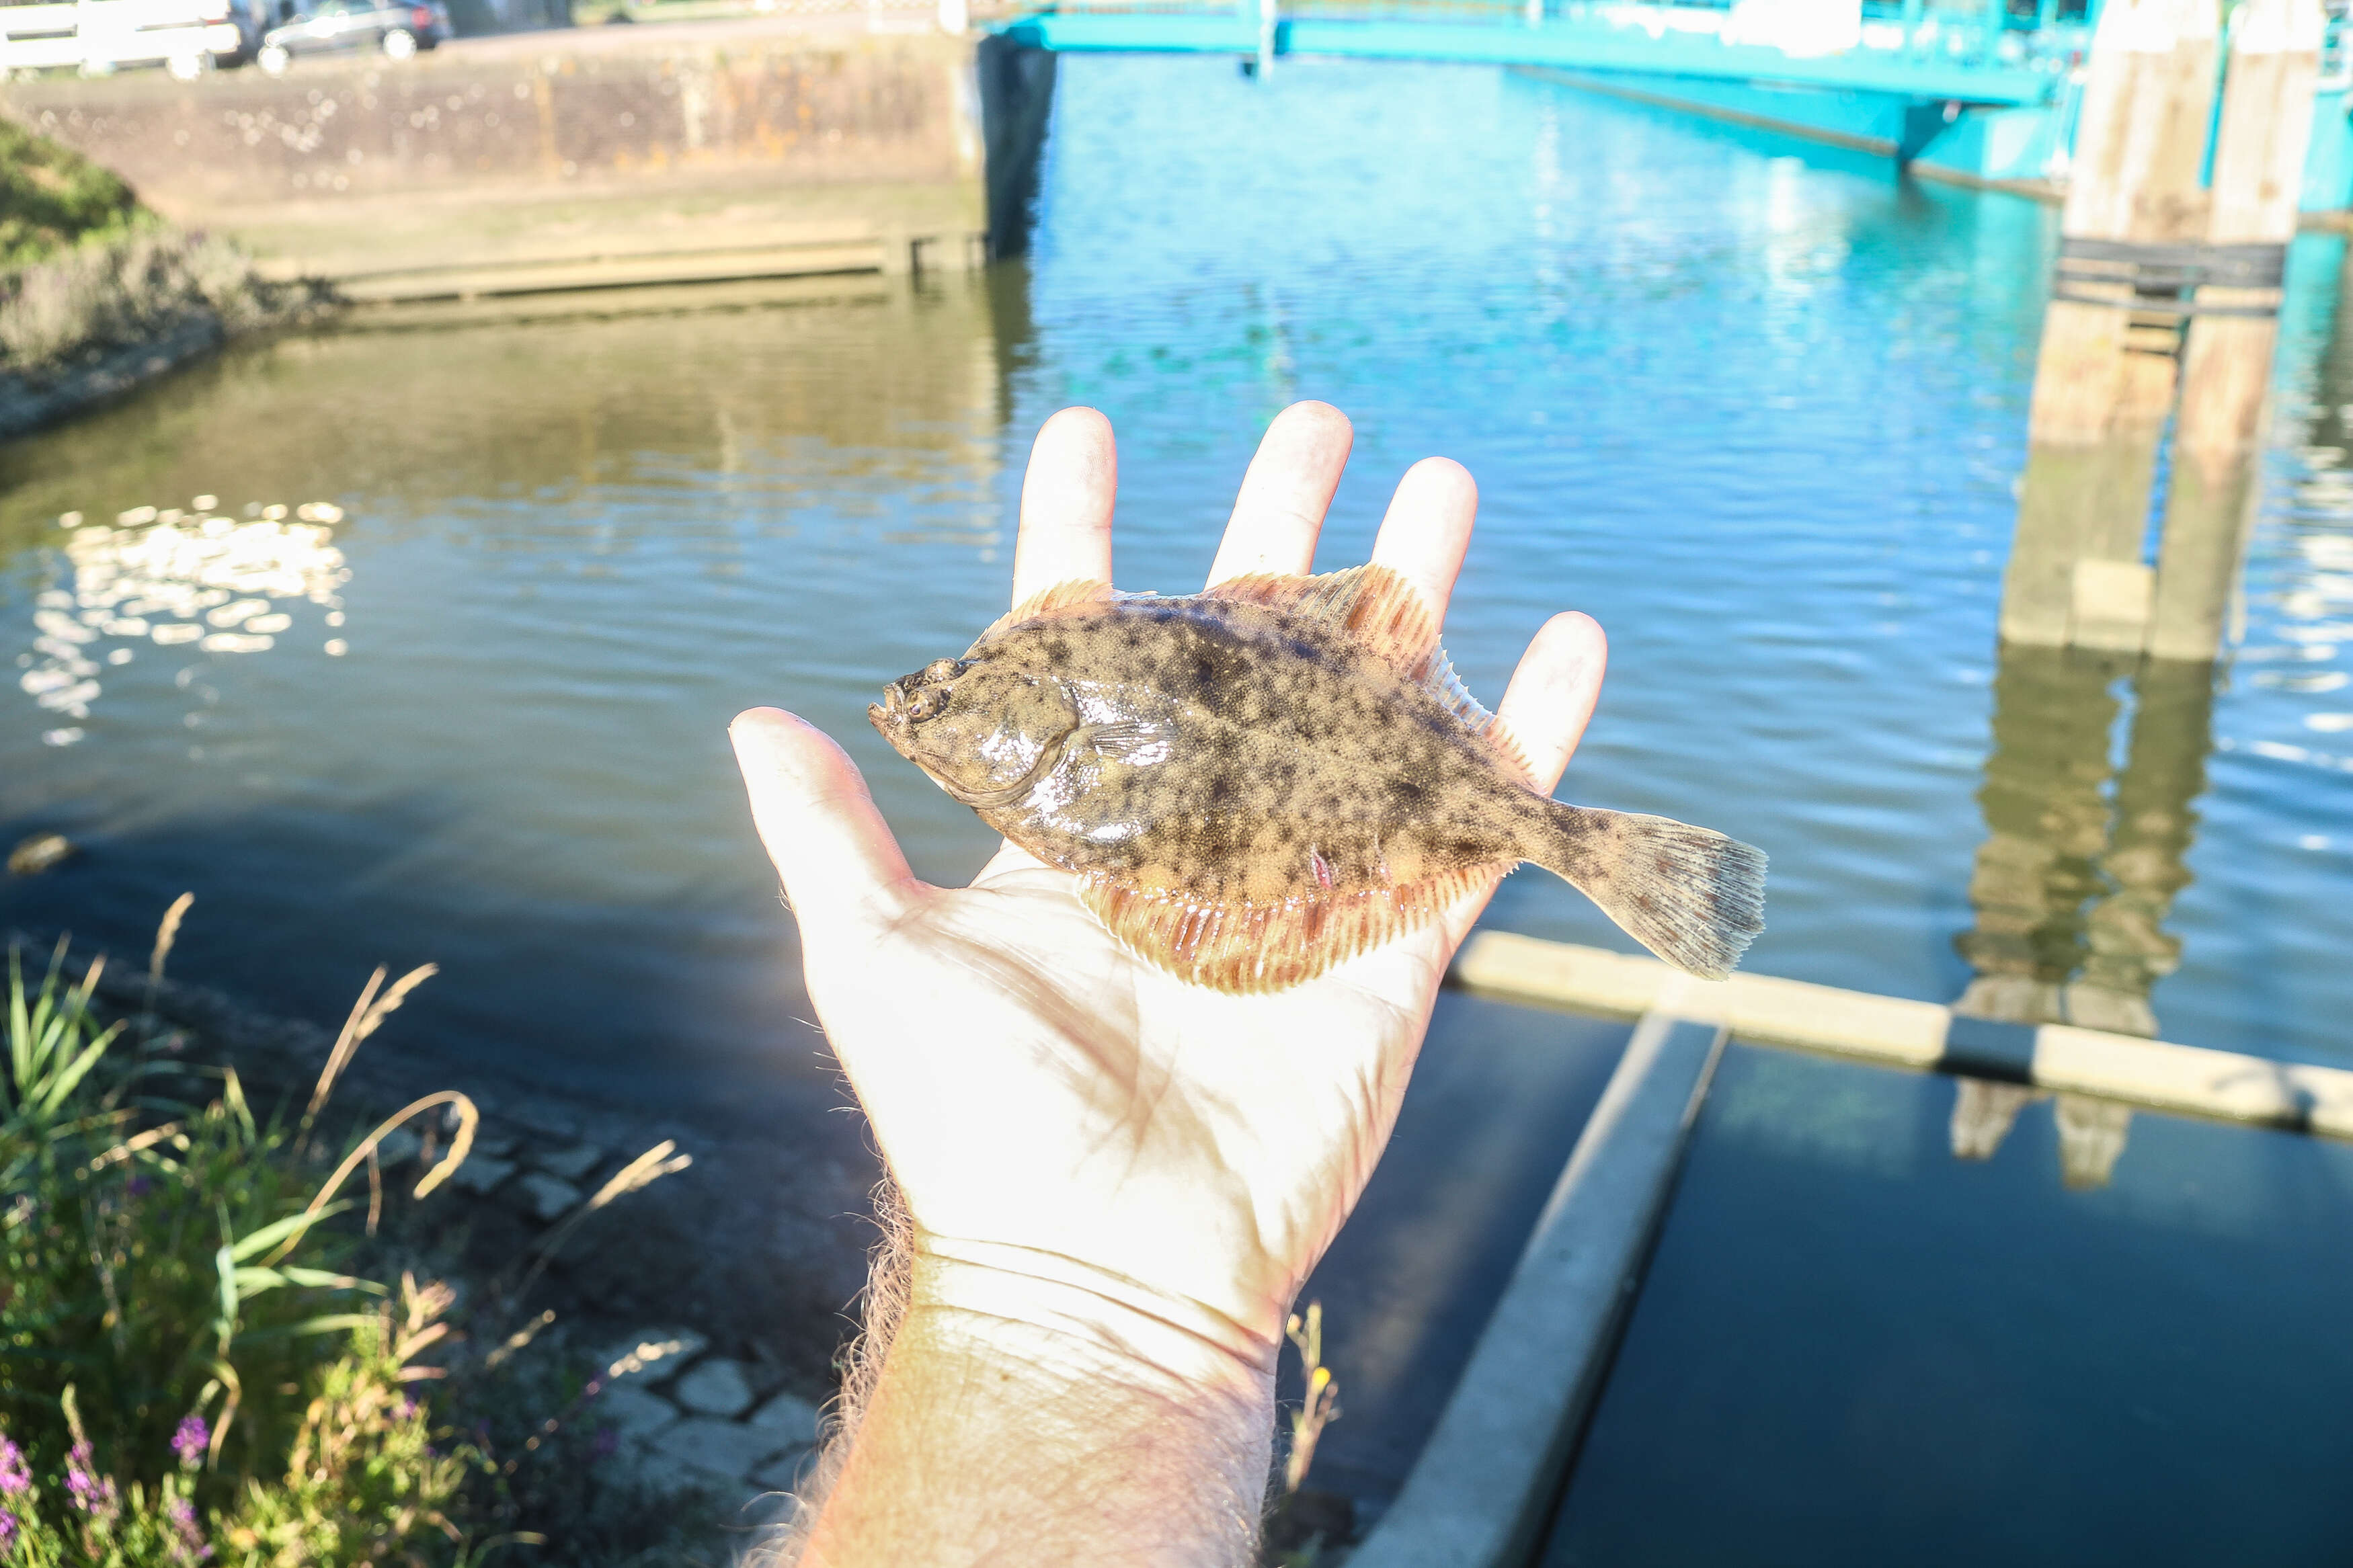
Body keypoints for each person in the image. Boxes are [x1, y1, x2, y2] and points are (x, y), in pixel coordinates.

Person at [728, 401, 1607, 1567]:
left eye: (945, 694)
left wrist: (1077, 1322)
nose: (919, 707)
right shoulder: (1050, 671)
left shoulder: (1047, 672)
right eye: (938, 693)